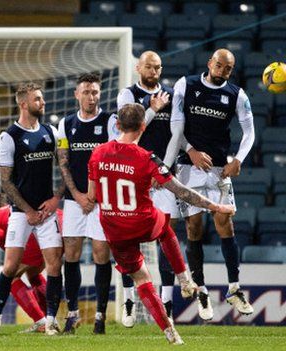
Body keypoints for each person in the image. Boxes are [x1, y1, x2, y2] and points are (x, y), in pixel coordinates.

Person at [87, 103, 235, 344]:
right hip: (143, 222)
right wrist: (216, 206)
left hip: (114, 228)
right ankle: (185, 280)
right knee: (165, 228)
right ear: (143, 127)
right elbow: (181, 191)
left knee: (142, 279)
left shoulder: (98, 153)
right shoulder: (147, 158)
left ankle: (171, 333)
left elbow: (92, 193)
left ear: (117, 125)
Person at [163, 49, 255, 320]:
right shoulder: (186, 84)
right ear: (209, 64)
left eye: (228, 68)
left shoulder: (237, 95)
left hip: (218, 170)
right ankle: (201, 290)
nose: (223, 71)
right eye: (219, 65)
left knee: (225, 221)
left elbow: (249, 132)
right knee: (194, 227)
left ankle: (234, 288)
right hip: (189, 166)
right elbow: (175, 126)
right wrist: (190, 150)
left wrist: (238, 159)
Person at [0, 82, 65, 336]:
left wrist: (56, 199)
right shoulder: (9, 136)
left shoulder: (52, 132)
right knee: (10, 267)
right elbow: (5, 181)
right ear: (23, 103)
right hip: (21, 212)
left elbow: (65, 169)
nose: (43, 102)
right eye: (37, 99)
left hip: (47, 211)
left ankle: (50, 321)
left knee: (54, 265)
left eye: (42, 98)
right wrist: (28, 210)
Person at [116, 50, 178, 325]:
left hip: (161, 175)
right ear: (139, 67)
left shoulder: (171, 95)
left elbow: (178, 133)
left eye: (159, 67)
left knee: (166, 235)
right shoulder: (127, 95)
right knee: (129, 239)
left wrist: (163, 168)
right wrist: (153, 109)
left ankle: (167, 302)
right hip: (132, 174)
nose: (155, 72)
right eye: (150, 67)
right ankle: (129, 299)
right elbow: (132, 131)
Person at [57, 73, 117, 334]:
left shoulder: (110, 121)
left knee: (101, 254)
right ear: (76, 94)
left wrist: (93, 196)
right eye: (86, 92)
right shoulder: (65, 124)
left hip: (102, 201)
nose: (91, 97)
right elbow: (63, 163)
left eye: (95, 92)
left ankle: (101, 317)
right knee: (70, 255)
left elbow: (114, 160)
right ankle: (72, 315)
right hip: (74, 201)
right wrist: (78, 195)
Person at [0, 192, 63, 333]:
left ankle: (40, 321)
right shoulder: (13, 208)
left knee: (11, 276)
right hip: (58, 224)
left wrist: (11, 249)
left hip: (35, 233)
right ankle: (51, 319)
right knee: (33, 273)